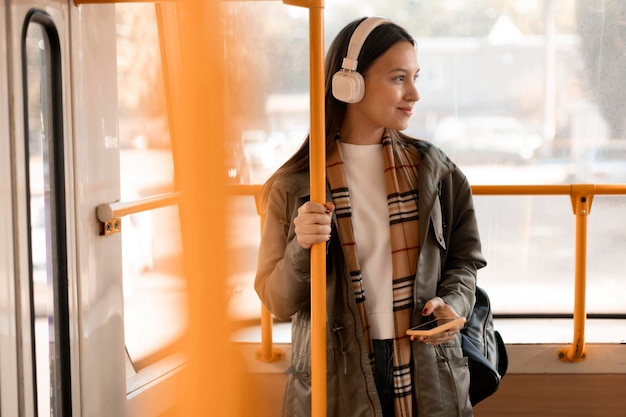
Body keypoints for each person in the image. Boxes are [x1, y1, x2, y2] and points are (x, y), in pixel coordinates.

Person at [255, 16, 486, 417]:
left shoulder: (437, 172)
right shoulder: (295, 185)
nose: (414, 93)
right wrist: (301, 247)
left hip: (426, 366)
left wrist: (452, 303)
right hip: (335, 375)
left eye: (416, 77)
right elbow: (276, 301)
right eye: (399, 78)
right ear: (350, 83)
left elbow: (465, 262)